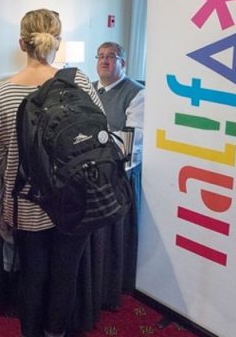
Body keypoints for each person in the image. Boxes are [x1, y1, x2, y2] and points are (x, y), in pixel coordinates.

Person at [0, 9, 103, 337]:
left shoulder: (2, 92)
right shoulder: (79, 82)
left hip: (26, 202)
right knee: (66, 275)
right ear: (57, 42)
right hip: (73, 201)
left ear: (21, 43)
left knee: (32, 276)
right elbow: (100, 132)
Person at [92, 41, 144, 307]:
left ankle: (111, 284)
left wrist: (95, 138)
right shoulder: (89, 90)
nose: (104, 61)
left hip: (120, 174)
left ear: (123, 63)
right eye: (101, 56)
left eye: (111, 57)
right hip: (92, 170)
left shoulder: (136, 93)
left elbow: (131, 140)